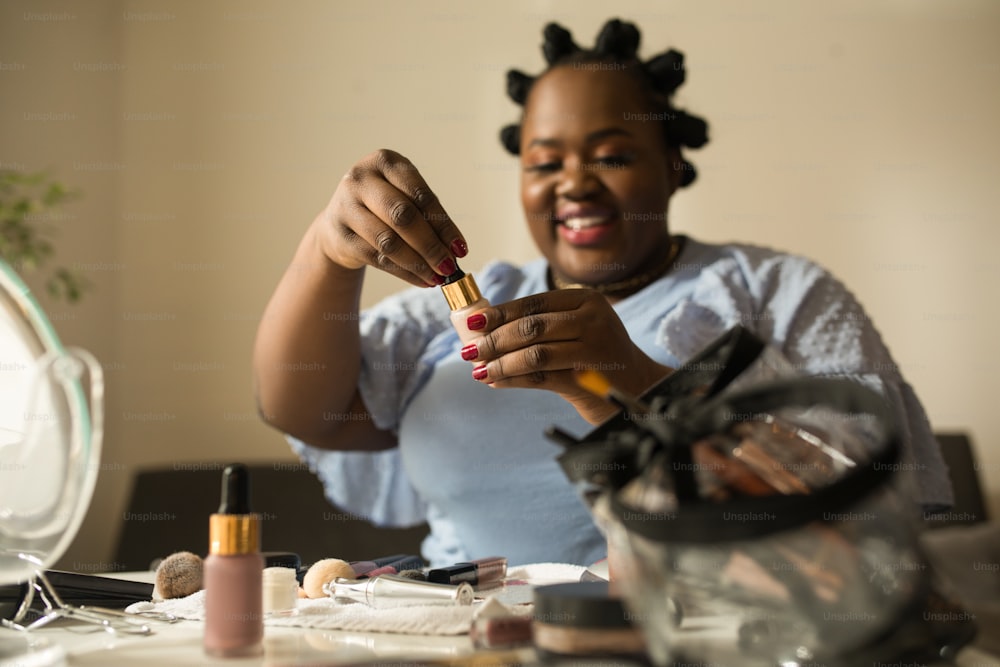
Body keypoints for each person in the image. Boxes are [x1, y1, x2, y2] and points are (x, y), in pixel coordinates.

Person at [252, 18, 951, 568]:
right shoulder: (476, 301)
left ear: (673, 165)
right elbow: (306, 408)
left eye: (612, 155)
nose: (573, 183)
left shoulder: (779, 293)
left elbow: (872, 499)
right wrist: (327, 252)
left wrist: (638, 386)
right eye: (544, 162)